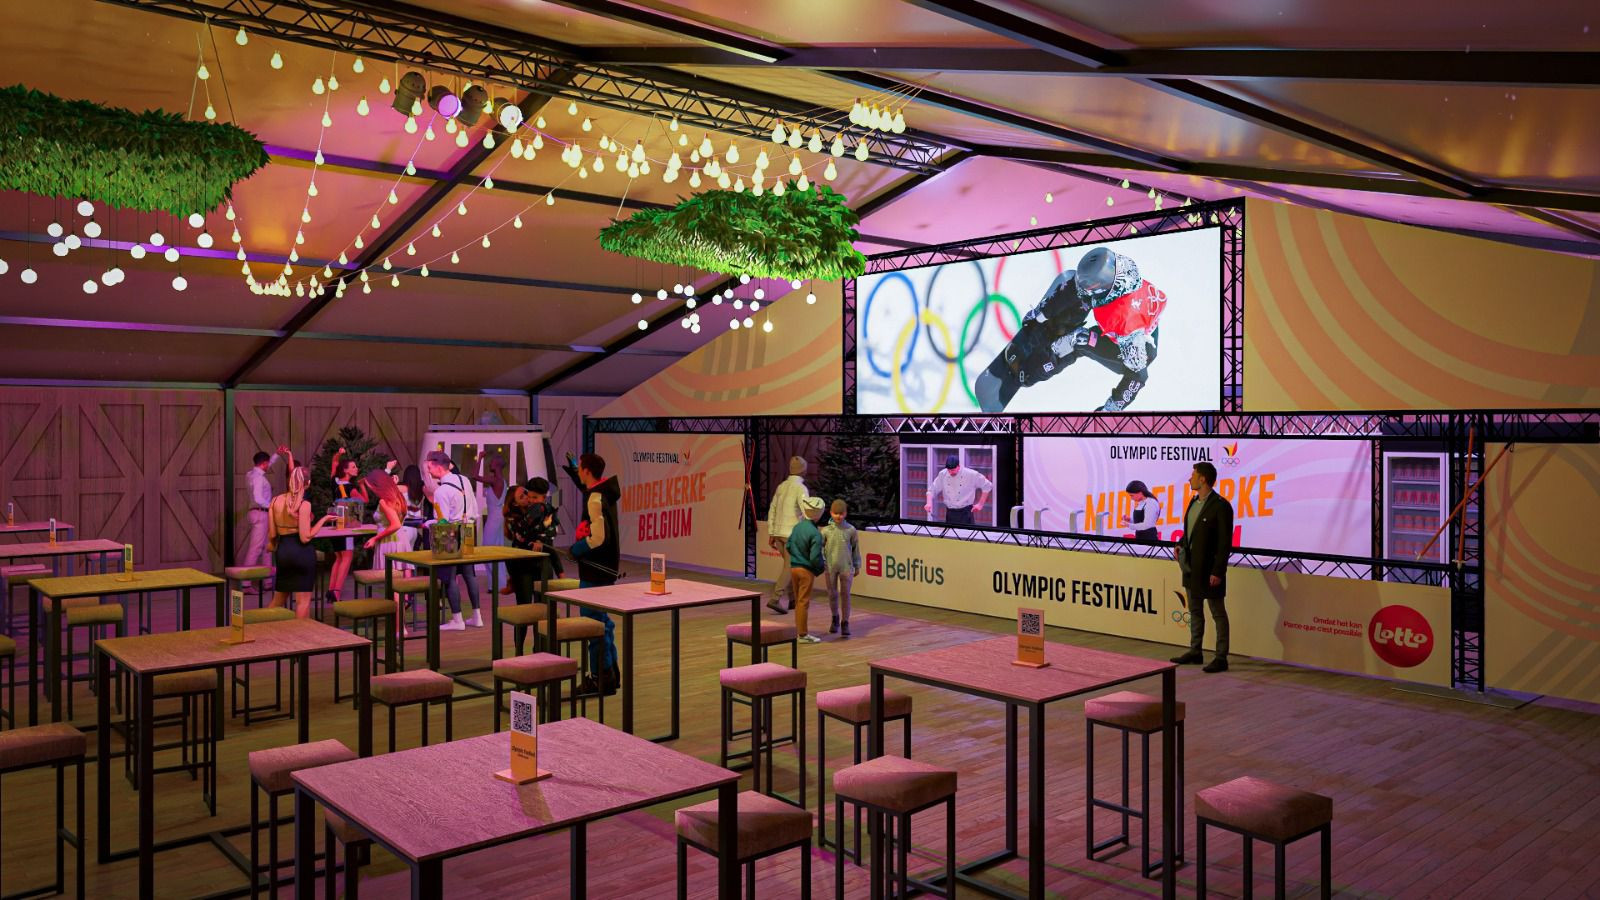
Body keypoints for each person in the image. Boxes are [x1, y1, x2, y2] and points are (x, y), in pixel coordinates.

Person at [973, 247, 1168, 413]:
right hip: (1128, 323)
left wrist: (1111, 408)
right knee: (1080, 298)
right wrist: (1041, 315)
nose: (1083, 287)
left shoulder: (1126, 325)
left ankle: (1027, 373)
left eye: (1090, 286)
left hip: (1135, 351)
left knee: (1077, 341)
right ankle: (1061, 326)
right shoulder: (1114, 277)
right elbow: (1075, 291)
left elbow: (1138, 376)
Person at [1172, 462, 1235, 673]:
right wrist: (1180, 544)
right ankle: (1195, 651)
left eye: (1193, 475)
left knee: (1218, 613)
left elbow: (1225, 542)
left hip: (1209, 571)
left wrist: (1218, 571)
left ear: (1203, 479)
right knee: (1195, 611)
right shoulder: (1193, 502)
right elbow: (1190, 532)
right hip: (1191, 568)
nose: (1189, 478)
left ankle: (1221, 657)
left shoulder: (1221, 506)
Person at [570, 453, 621, 695]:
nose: (578, 471)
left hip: (595, 568)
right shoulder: (604, 492)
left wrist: (576, 549)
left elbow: (599, 537)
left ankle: (600, 677)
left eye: (579, 468)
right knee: (603, 622)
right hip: (606, 567)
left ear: (587, 471)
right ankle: (610, 674)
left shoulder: (594, 498)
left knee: (593, 624)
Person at [268, 464, 339, 619]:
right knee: (303, 602)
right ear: (308, 483)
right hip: (301, 553)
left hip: (283, 552)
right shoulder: (304, 504)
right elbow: (305, 537)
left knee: (278, 599)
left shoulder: (275, 501)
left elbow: (272, 534)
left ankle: (261, 626)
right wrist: (324, 520)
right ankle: (300, 633)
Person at [424, 450, 483, 631]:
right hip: (468, 528)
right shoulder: (464, 480)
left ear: (438, 467)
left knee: (449, 578)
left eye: (429, 467)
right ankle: (477, 617)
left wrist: (429, 523)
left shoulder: (441, 491)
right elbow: (473, 507)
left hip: (451, 532)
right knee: (469, 574)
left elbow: (443, 521)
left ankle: (457, 620)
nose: (428, 471)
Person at [503, 476, 563, 654]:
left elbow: (552, 536)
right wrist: (541, 535)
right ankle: (519, 652)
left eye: (533, 497)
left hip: (542, 566)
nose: (530, 500)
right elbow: (522, 535)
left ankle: (540, 650)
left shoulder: (547, 511)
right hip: (523, 567)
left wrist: (541, 538)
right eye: (526, 496)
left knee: (542, 611)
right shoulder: (515, 517)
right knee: (524, 610)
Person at [326, 447, 371, 607]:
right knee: (347, 557)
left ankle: (331, 590)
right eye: (353, 467)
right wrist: (362, 485)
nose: (356, 468)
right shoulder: (351, 488)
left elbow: (334, 462)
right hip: (347, 525)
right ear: (345, 470)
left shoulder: (334, 481)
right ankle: (337, 593)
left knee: (339, 557)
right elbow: (365, 501)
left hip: (335, 523)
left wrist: (338, 453)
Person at [765, 456, 810, 614]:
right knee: (790, 567)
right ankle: (775, 598)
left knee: (789, 567)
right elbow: (806, 512)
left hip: (778, 534)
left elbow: (772, 509)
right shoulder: (801, 489)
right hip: (791, 534)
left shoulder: (781, 486)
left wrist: (772, 532)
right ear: (803, 470)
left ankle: (792, 599)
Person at [241, 445, 289, 587]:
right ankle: (245, 583)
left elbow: (267, 464)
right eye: (267, 463)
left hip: (261, 513)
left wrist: (276, 455)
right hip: (261, 513)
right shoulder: (258, 478)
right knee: (255, 549)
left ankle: (268, 581)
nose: (269, 466)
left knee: (267, 548)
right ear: (264, 463)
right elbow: (258, 498)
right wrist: (272, 506)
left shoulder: (251, 474)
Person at [787, 496, 827, 644]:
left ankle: (800, 631)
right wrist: (821, 568)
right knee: (803, 602)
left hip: (794, 568)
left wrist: (796, 557)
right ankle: (803, 635)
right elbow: (815, 557)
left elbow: (788, 546)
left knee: (799, 601)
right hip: (806, 571)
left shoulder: (797, 527)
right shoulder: (815, 533)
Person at [821, 498, 862, 637]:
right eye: (835, 513)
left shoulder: (851, 530)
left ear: (845, 513)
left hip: (846, 567)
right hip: (830, 567)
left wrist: (857, 565)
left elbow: (855, 549)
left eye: (841, 513)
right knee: (832, 594)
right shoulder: (826, 531)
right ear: (831, 513)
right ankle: (835, 618)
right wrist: (823, 561)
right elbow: (820, 547)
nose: (838, 516)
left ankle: (845, 622)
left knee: (845, 594)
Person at [469, 454, 509, 589]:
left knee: (488, 549)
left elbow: (474, 475)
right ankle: (496, 584)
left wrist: (480, 458)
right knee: (496, 550)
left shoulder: (496, 480)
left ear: (497, 465)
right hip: (497, 517)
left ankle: (498, 583)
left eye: (491, 462)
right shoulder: (500, 480)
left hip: (494, 518)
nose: (489, 464)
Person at [924, 455, 992, 525]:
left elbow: (987, 485)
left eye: (953, 470)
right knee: (950, 532)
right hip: (950, 513)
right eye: (948, 470)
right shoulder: (943, 474)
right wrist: (929, 503)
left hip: (965, 513)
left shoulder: (971, 474)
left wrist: (980, 504)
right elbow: (932, 490)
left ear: (959, 466)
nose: (950, 472)